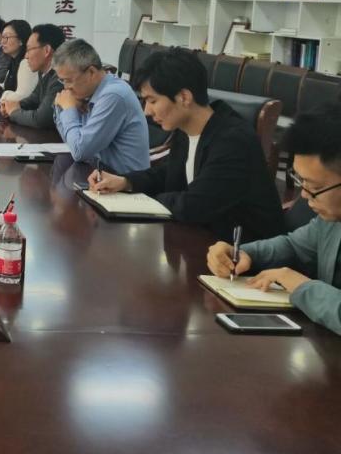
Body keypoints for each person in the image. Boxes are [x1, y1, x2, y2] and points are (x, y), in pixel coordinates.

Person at [89, 47, 284, 241]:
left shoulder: (233, 141)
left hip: (243, 253)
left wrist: (145, 201)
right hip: (201, 240)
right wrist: (125, 182)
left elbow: (194, 206)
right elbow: (168, 173)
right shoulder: (186, 129)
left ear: (184, 97)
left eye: (152, 101)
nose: (147, 111)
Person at [207, 103, 341, 334]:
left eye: (316, 187)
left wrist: (300, 285)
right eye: (301, 181)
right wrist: (244, 254)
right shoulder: (331, 219)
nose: (304, 195)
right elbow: (294, 246)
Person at [51, 39, 149, 173]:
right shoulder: (88, 93)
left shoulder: (113, 95)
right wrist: (60, 108)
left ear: (91, 72)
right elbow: (72, 142)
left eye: (68, 81)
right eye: (62, 81)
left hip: (125, 181)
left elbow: (79, 151)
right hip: (99, 175)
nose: (66, 87)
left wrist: (68, 109)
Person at [0, 24, 65, 129]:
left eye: (29, 49)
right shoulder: (44, 73)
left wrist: (14, 112)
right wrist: (13, 105)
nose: (26, 56)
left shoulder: (60, 77)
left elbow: (40, 119)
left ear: (46, 50)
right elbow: (33, 100)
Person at [0, 19, 36, 103]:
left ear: (21, 40)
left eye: (7, 37)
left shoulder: (27, 63)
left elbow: (22, 97)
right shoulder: (13, 60)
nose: (2, 42)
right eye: (2, 37)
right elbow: (8, 87)